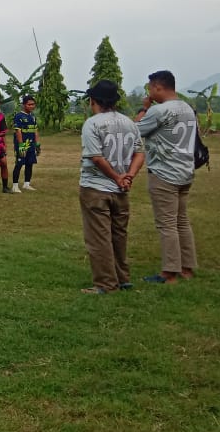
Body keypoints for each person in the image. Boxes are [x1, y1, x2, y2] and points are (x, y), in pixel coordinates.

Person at [79, 80, 145, 294]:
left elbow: (96, 158)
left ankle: (106, 284)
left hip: (96, 187)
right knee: (119, 235)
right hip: (121, 190)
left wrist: (117, 177)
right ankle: (122, 278)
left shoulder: (92, 124)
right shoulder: (129, 123)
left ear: (93, 100)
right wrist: (128, 176)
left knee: (98, 238)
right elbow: (139, 153)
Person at [135, 70, 199, 284]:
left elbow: (135, 131)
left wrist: (144, 108)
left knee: (167, 224)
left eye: (150, 88)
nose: (149, 92)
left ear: (158, 87)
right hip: (185, 171)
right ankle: (187, 268)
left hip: (164, 173)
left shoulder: (158, 111)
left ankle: (169, 272)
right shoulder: (187, 108)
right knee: (182, 221)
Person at [12, 95, 40, 192]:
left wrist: (37, 144)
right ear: (24, 105)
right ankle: (15, 186)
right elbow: (18, 131)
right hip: (22, 144)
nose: (32, 106)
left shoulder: (33, 117)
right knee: (19, 164)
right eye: (29, 104)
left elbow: (35, 131)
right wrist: (21, 145)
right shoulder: (19, 116)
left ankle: (26, 184)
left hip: (31, 145)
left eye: (33, 104)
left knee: (30, 163)